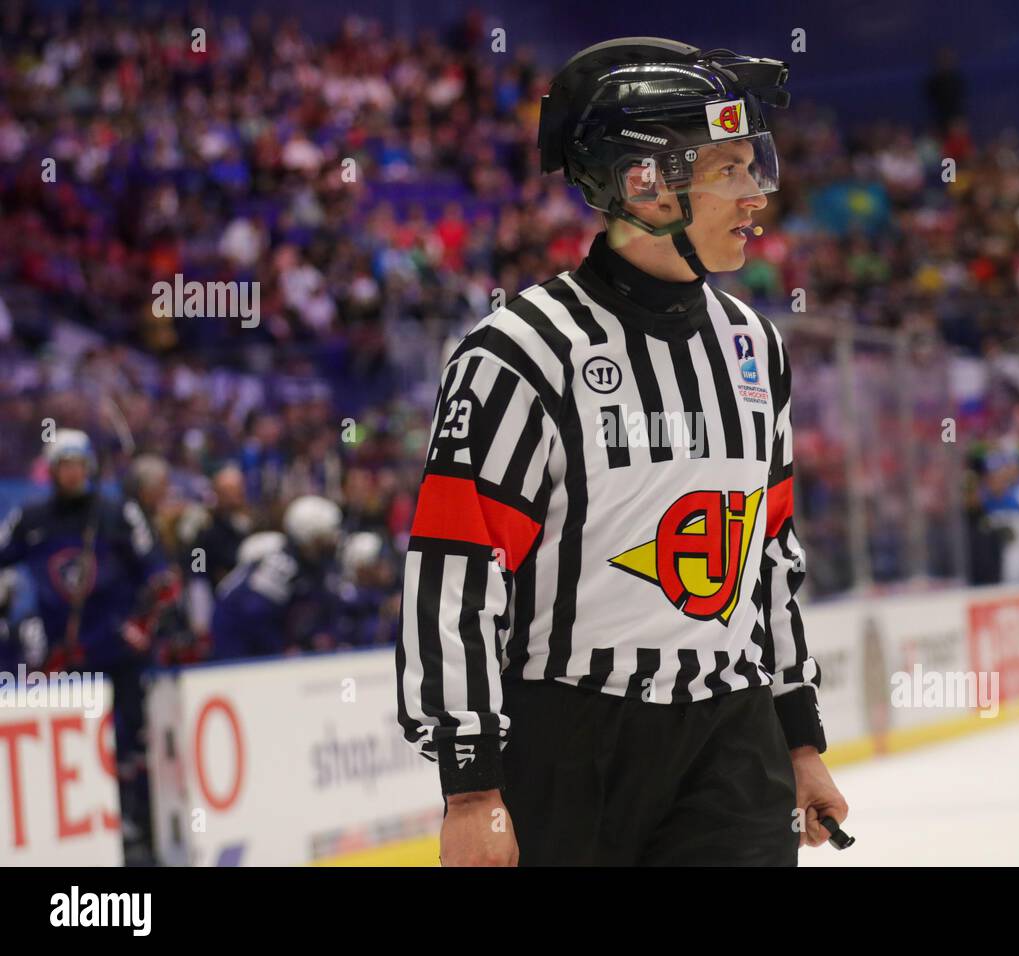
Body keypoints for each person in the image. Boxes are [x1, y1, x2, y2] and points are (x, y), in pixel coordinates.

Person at [397, 37, 846, 866]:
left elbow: (770, 556)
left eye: (756, 167)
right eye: (729, 171)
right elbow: (455, 570)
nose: (756, 195)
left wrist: (799, 737)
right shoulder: (519, 352)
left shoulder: (754, 346)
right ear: (645, 182)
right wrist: (471, 789)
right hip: (571, 747)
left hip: (730, 740)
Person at [0, 429, 179, 865]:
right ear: (52, 469)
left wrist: (141, 624)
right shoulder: (31, 516)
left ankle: (136, 821)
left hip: (116, 646)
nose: (73, 473)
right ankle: (82, 831)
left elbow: (158, 576)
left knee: (130, 735)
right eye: (64, 464)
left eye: (79, 463)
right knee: (73, 742)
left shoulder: (116, 511)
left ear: (90, 467)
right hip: (63, 653)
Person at [209, 495, 342, 659]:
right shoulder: (283, 566)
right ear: (310, 537)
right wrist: (279, 649)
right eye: (326, 535)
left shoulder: (313, 565)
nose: (334, 540)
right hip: (237, 641)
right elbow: (254, 613)